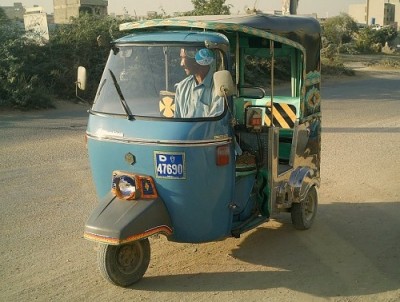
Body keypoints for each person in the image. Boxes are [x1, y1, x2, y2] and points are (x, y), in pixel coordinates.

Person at [174, 48, 224, 118]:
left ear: (198, 59)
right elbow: (177, 121)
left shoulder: (219, 87)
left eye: (184, 58)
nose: (181, 64)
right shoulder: (181, 87)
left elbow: (214, 123)